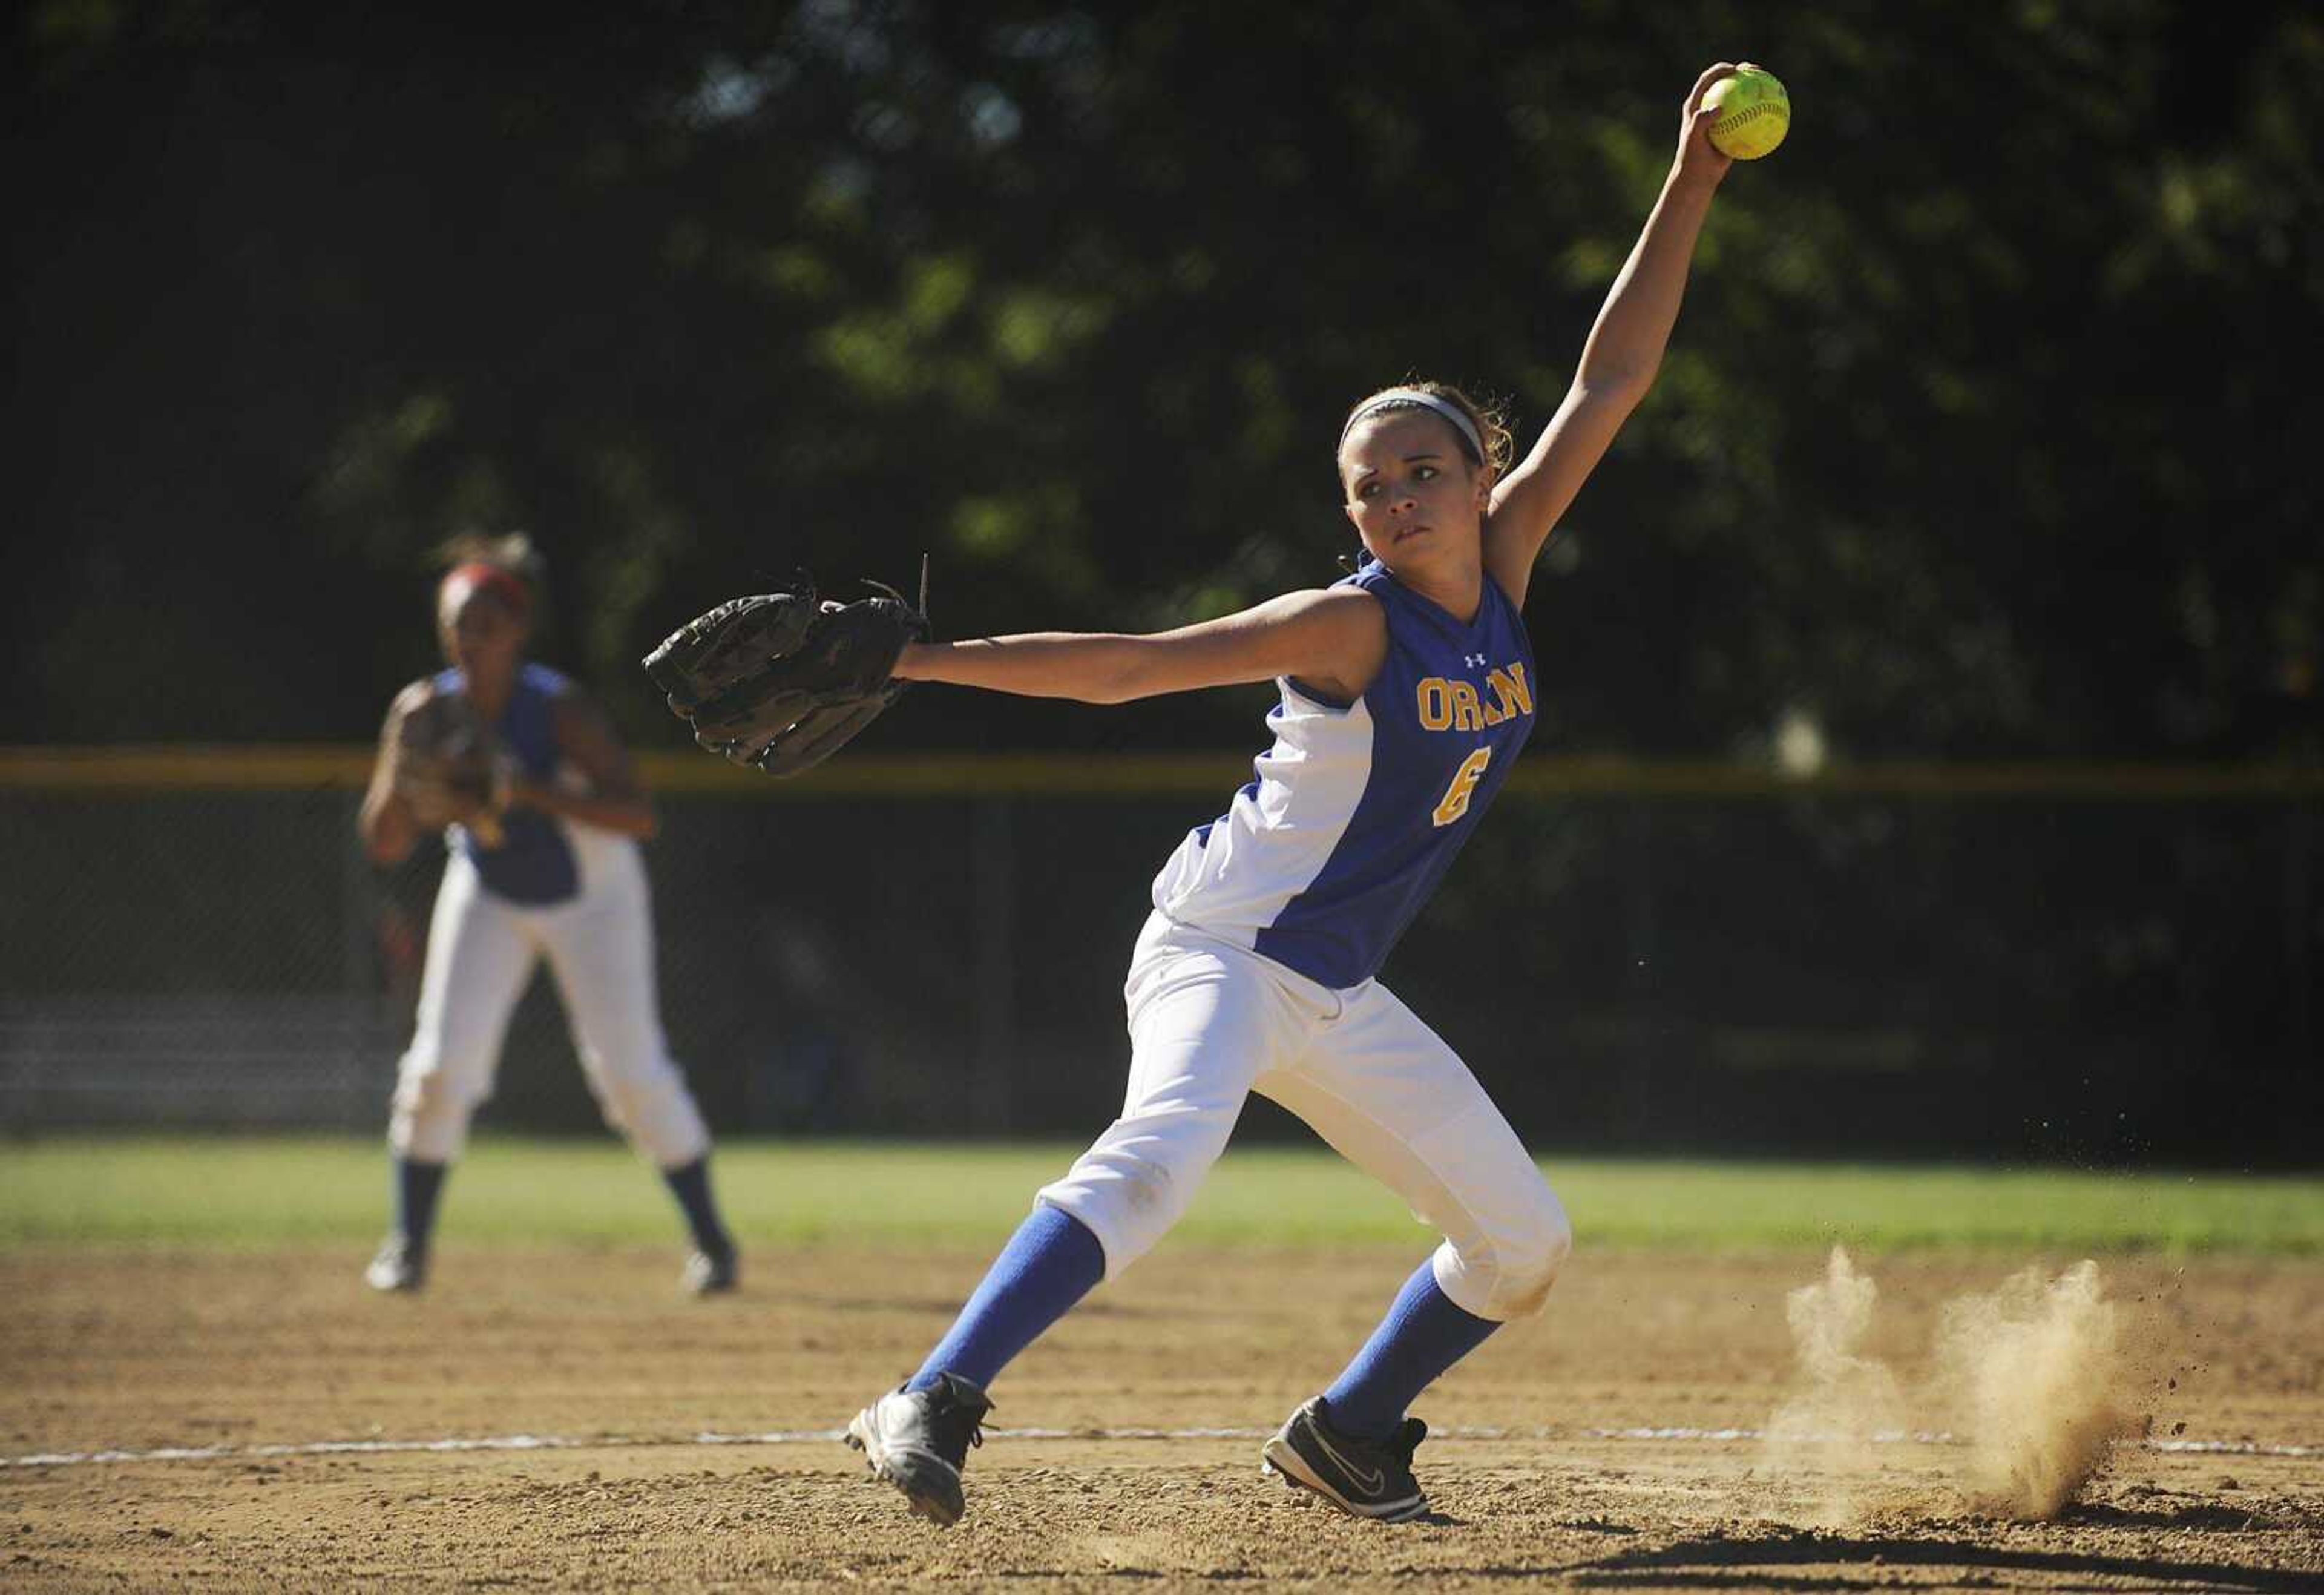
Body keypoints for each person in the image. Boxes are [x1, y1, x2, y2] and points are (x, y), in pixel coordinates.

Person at [842, 66, 1742, 1525]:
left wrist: (1691, 178)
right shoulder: (1353, 622)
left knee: (1520, 1242)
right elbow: (1136, 669)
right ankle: (929, 1394)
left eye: (1422, 471)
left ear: (1478, 475)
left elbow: (1611, 380)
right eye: (1368, 484)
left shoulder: (1500, 577)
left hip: (1333, 988)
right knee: (1155, 1163)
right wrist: (922, 656)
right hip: (1220, 949)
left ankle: (1347, 1432)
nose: (1395, 500)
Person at [356, 534, 740, 1296]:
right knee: (438, 1067)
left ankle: (713, 1244)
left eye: (483, 626)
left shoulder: (558, 709)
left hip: (594, 894)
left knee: (631, 1074)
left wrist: (532, 792)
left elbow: (639, 816)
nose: (468, 641)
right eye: (457, 626)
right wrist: (400, 767)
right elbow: (385, 843)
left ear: (516, 632)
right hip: (492, 887)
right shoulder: (427, 711)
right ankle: (408, 1245)